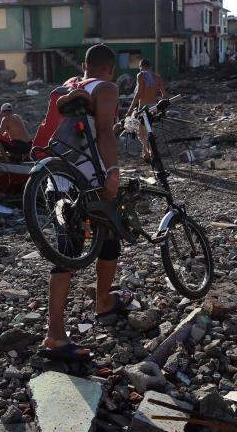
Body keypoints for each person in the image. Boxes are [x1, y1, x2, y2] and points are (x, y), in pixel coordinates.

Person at [38, 44, 132, 362]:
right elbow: (105, 132)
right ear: (109, 70)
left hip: (55, 177)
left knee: (71, 249)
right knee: (105, 238)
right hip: (87, 181)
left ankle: (99, 304)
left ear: (84, 66)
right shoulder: (106, 88)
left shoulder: (70, 87)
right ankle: (57, 334)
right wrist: (114, 172)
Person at [125, 59, 166, 163]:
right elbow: (164, 95)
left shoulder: (141, 75)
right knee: (147, 131)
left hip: (143, 108)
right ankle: (146, 154)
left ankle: (149, 153)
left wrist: (130, 110)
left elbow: (138, 93)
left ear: (141, 66)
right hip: (154, 108)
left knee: (140, 132)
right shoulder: (157, 77)